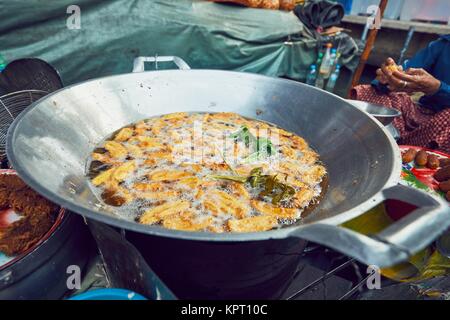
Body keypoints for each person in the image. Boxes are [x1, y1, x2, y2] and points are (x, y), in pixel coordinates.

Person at [351, 34, 450, 153]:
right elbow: (407, 71)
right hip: (423, 113)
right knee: (370, 91)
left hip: (444, 124)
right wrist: (389, 78)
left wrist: (438, 89)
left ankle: (421, 155)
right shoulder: (443, 44)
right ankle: (389, 145)